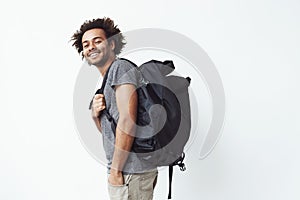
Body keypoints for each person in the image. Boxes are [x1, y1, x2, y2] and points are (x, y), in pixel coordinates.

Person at [71, 17, 158, 200]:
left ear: (111, 44)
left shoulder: (120, 68)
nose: (91, 47)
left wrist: (116, 171)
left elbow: (128, 120)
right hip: (127, 171)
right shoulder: (108, 78)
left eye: (97, 41)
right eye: (86, 45)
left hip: (130, 172)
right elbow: (111, 133)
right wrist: (96, 116)